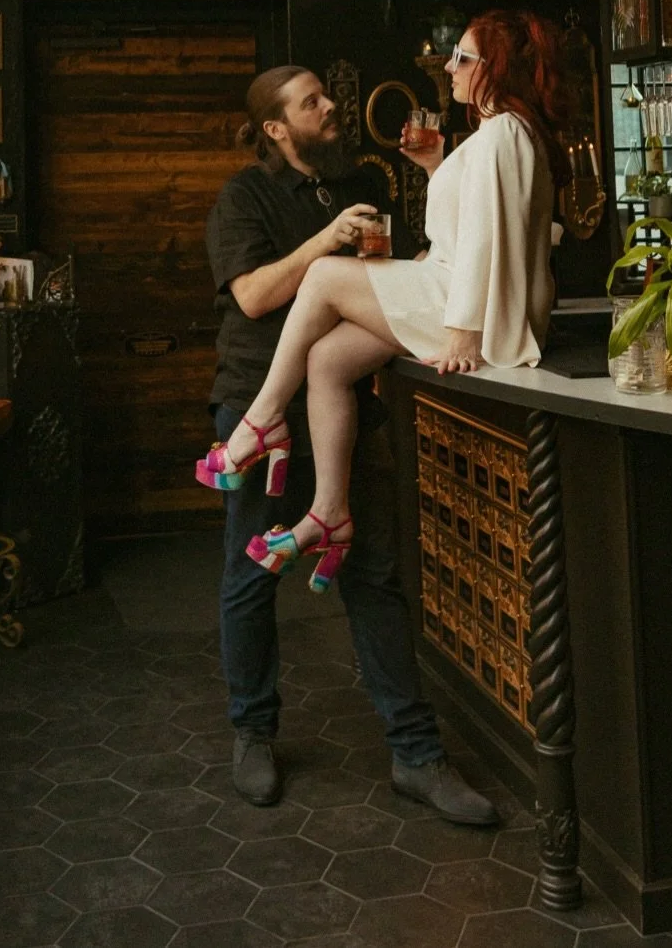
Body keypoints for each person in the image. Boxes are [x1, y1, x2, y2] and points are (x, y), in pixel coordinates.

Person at [201, 63, 499, 823]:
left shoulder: (360, 179)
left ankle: (417, 755)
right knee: (251, 573)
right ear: (276, 127)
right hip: (257, 402)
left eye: (327, 97)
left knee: (372, 569)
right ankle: (254, 734)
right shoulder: (245, 196)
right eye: (313, 102)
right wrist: (324, 246)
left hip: (344, 401)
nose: (331, 107)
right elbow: (254, 295)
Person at [202, 8, 569, 605]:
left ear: (494, 70)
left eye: (464, 58)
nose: (450, 66)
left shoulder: (502, 131)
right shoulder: (499, 133)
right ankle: (329, 512)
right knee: (328, 360)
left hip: (459, 300)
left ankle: (261, 422)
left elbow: (482, 238)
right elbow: (476, 226)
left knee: (322, 275)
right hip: (451, 286)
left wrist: (462, 331)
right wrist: (435, 167)